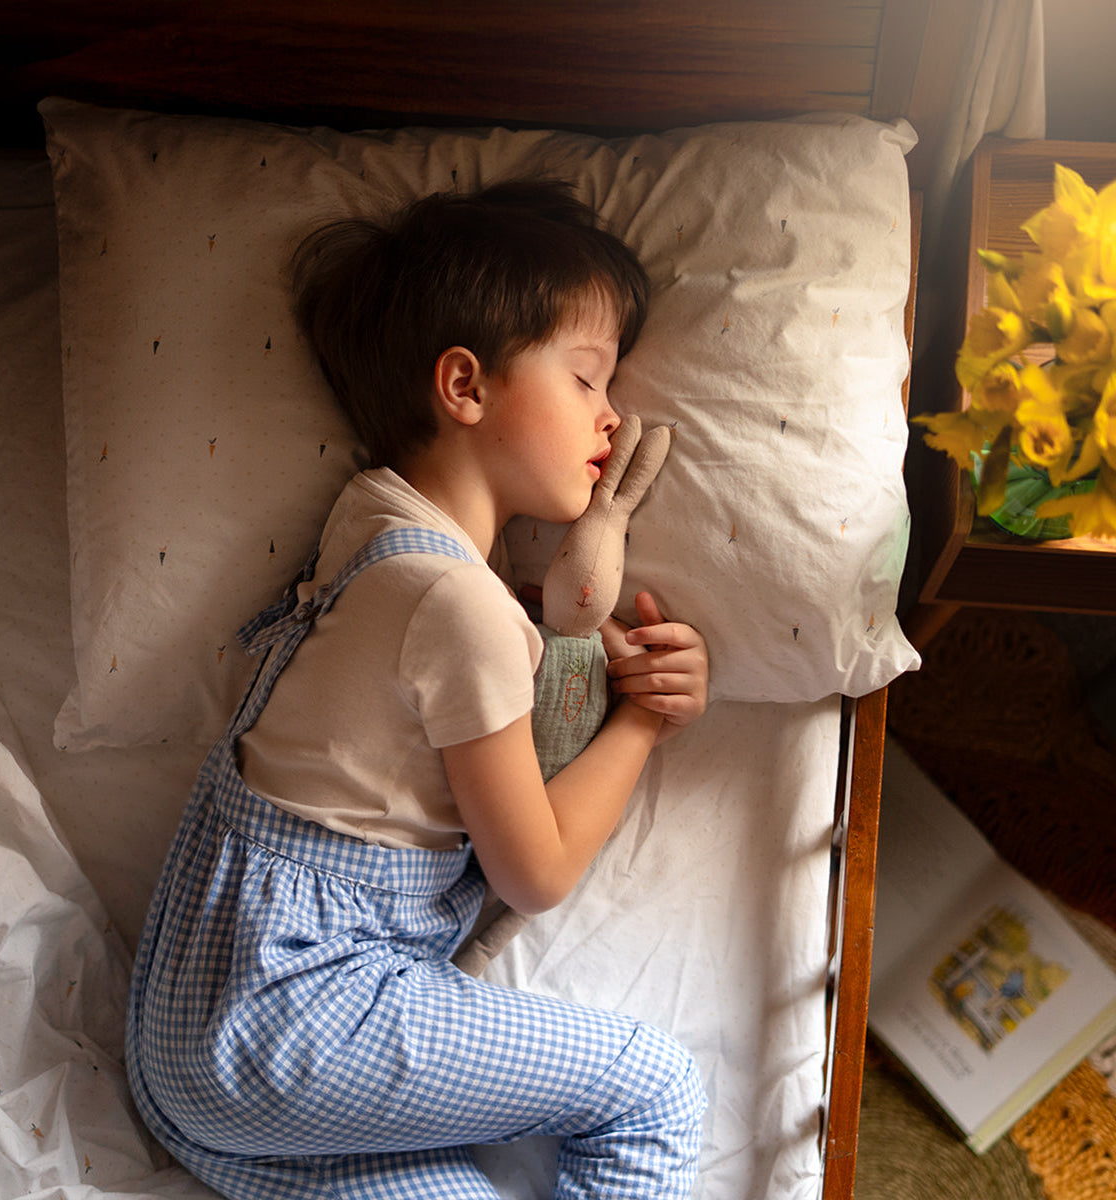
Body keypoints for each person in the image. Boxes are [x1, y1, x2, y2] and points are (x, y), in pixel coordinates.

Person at [125, 180, 711, 1200]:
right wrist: (644, 722)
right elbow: (535, 871)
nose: (613, 415)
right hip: (295, 1016)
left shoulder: (368, 525)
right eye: (585, 378)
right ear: (464, 386)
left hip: (194, 1033)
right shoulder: (456, 606)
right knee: (654, 1089)